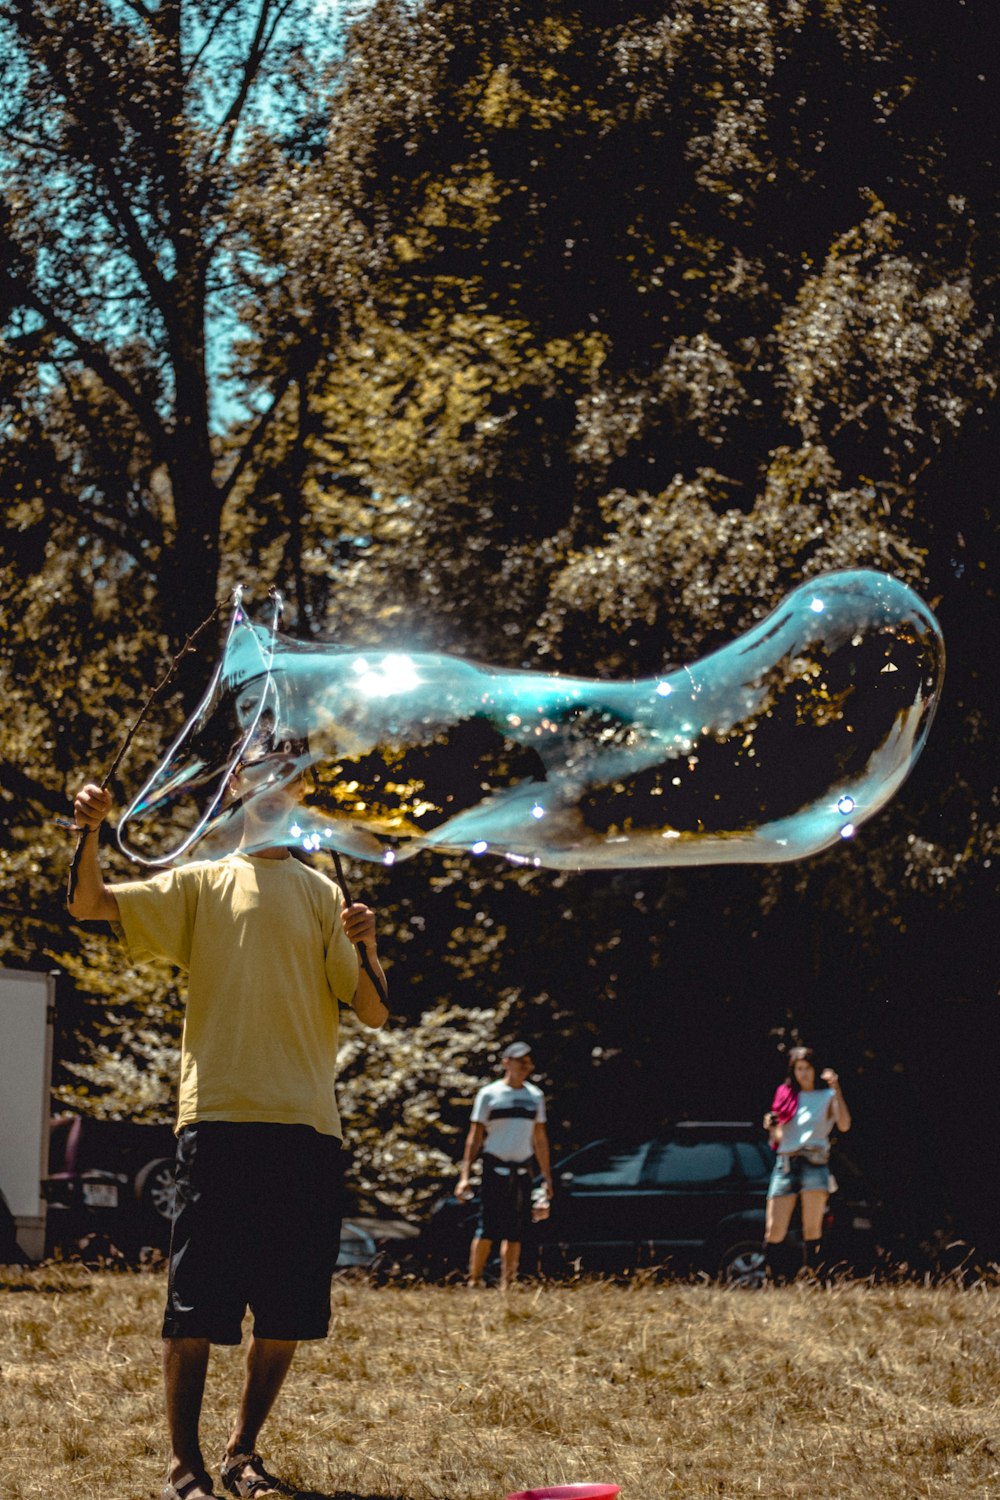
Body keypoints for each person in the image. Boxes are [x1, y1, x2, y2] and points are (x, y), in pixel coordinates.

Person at [68, 758, 388, 1500]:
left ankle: (244, 1454)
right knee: (195, 1303)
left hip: (307, 1126)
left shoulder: (324, 894)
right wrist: (86, 832)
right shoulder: (203, 881)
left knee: (288, 1306)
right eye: (260, 769)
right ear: (236, 785)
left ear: (302, 793)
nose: (277, 781)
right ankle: (186, 1468)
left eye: (292, 774)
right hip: (217, 1118)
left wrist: (367, 943)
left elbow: (372, 1012)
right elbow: (88, 904)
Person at [455, 1042, 553, 1289]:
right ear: (506, 1062)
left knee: (516, 1229)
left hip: (522, 1169)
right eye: (520, 1060)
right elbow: (475, 1136)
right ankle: (474, 1280)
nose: (525, 1066)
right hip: (494, 1168)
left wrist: (546, 1177)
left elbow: (539, 1138)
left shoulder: (534, 1096)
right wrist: (465, 1175)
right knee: (487, 1226)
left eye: (528, 1061)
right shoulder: (490, 1094)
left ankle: (507, 1282)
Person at [762, 1045, 851, 1281]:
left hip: (814, 1162)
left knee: (812, 1228)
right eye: (799, 1069)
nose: (803, 1074)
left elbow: (844, 1125)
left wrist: (836, 1088)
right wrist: (772, 1126)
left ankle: (813, 1279)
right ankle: (772, 1279)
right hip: (786, 1164)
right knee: (774, 1229)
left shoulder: (826, 1096)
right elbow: (779, 1138)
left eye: (807, 1068)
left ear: (815, 1070)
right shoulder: (785, 1095)